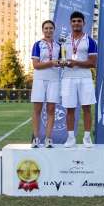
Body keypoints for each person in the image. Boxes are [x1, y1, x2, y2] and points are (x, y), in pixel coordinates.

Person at [61, 11, 98, 148]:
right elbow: (61, 59)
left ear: (83, 23)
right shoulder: (64, 41)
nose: (76, 23)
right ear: (70, 23)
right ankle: (71, 138)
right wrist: (63, 63)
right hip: (68, 78)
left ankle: (87, 138)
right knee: (69, 109)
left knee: (86, 108)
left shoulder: (90, 41)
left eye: (79, 21)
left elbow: (93, 63)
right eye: (74, 21)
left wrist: (75, 63)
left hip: (85, 78)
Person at [30, 20, 61, 148]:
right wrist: (51, 63)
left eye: (51, 28)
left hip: (54, 79)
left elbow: (60, 62)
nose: (48, 31)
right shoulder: (37, 45)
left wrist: (62, 63)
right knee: (37, 109)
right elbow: (35, 65)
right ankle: (36, 138)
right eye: (46, 28)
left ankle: (48, 139)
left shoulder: (59, 46)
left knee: (51, 109)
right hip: (39, 79)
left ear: (54, 30)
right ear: (43, 30)